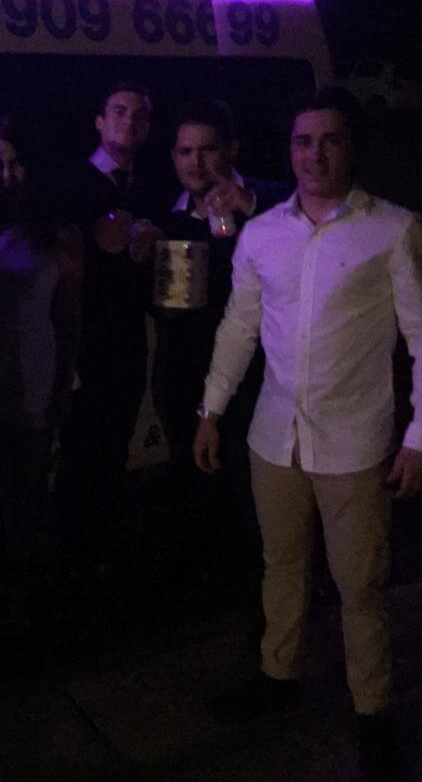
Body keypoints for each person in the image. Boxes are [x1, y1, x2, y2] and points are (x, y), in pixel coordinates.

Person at [193, 88, 422, 780]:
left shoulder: (395, 230)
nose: (315, 155)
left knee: (360, 585)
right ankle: (277, 675)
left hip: (353, 441)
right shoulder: (262, 233)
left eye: (330, 140)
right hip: (273, 436)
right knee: (281, 566)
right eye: (303, 141)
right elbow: (240, 327)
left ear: (352, 146)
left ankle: (373, 713)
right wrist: (211, 410)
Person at [156, 99, 290, 589]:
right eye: (185, 151)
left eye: (208, 149)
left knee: (249, 486)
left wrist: (248, 206)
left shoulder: (271, 201)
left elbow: (306, 233)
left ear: (231, 150)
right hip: (183, 370)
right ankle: (214, 585)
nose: (196, 162)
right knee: (194, 481)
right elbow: (162, 303)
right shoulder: (168, 215)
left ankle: (265, 590)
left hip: (251, 373)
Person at [0, 114, 83, 650]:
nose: (6, 176)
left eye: (15, 164)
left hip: (33, 374)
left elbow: (69, 318)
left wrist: (62, 387)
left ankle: (25, 604)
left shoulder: (59, 235)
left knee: (27, 501)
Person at [55, 80, 165, 578]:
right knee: (80, 446)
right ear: (99, 122)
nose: (129, 121)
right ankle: (74, 557)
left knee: (117, 441)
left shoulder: (150, 186)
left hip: (129, 335)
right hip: (83, 338)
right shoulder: (73, 185)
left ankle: (105, 551)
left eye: (139, 114)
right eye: (119, 111)